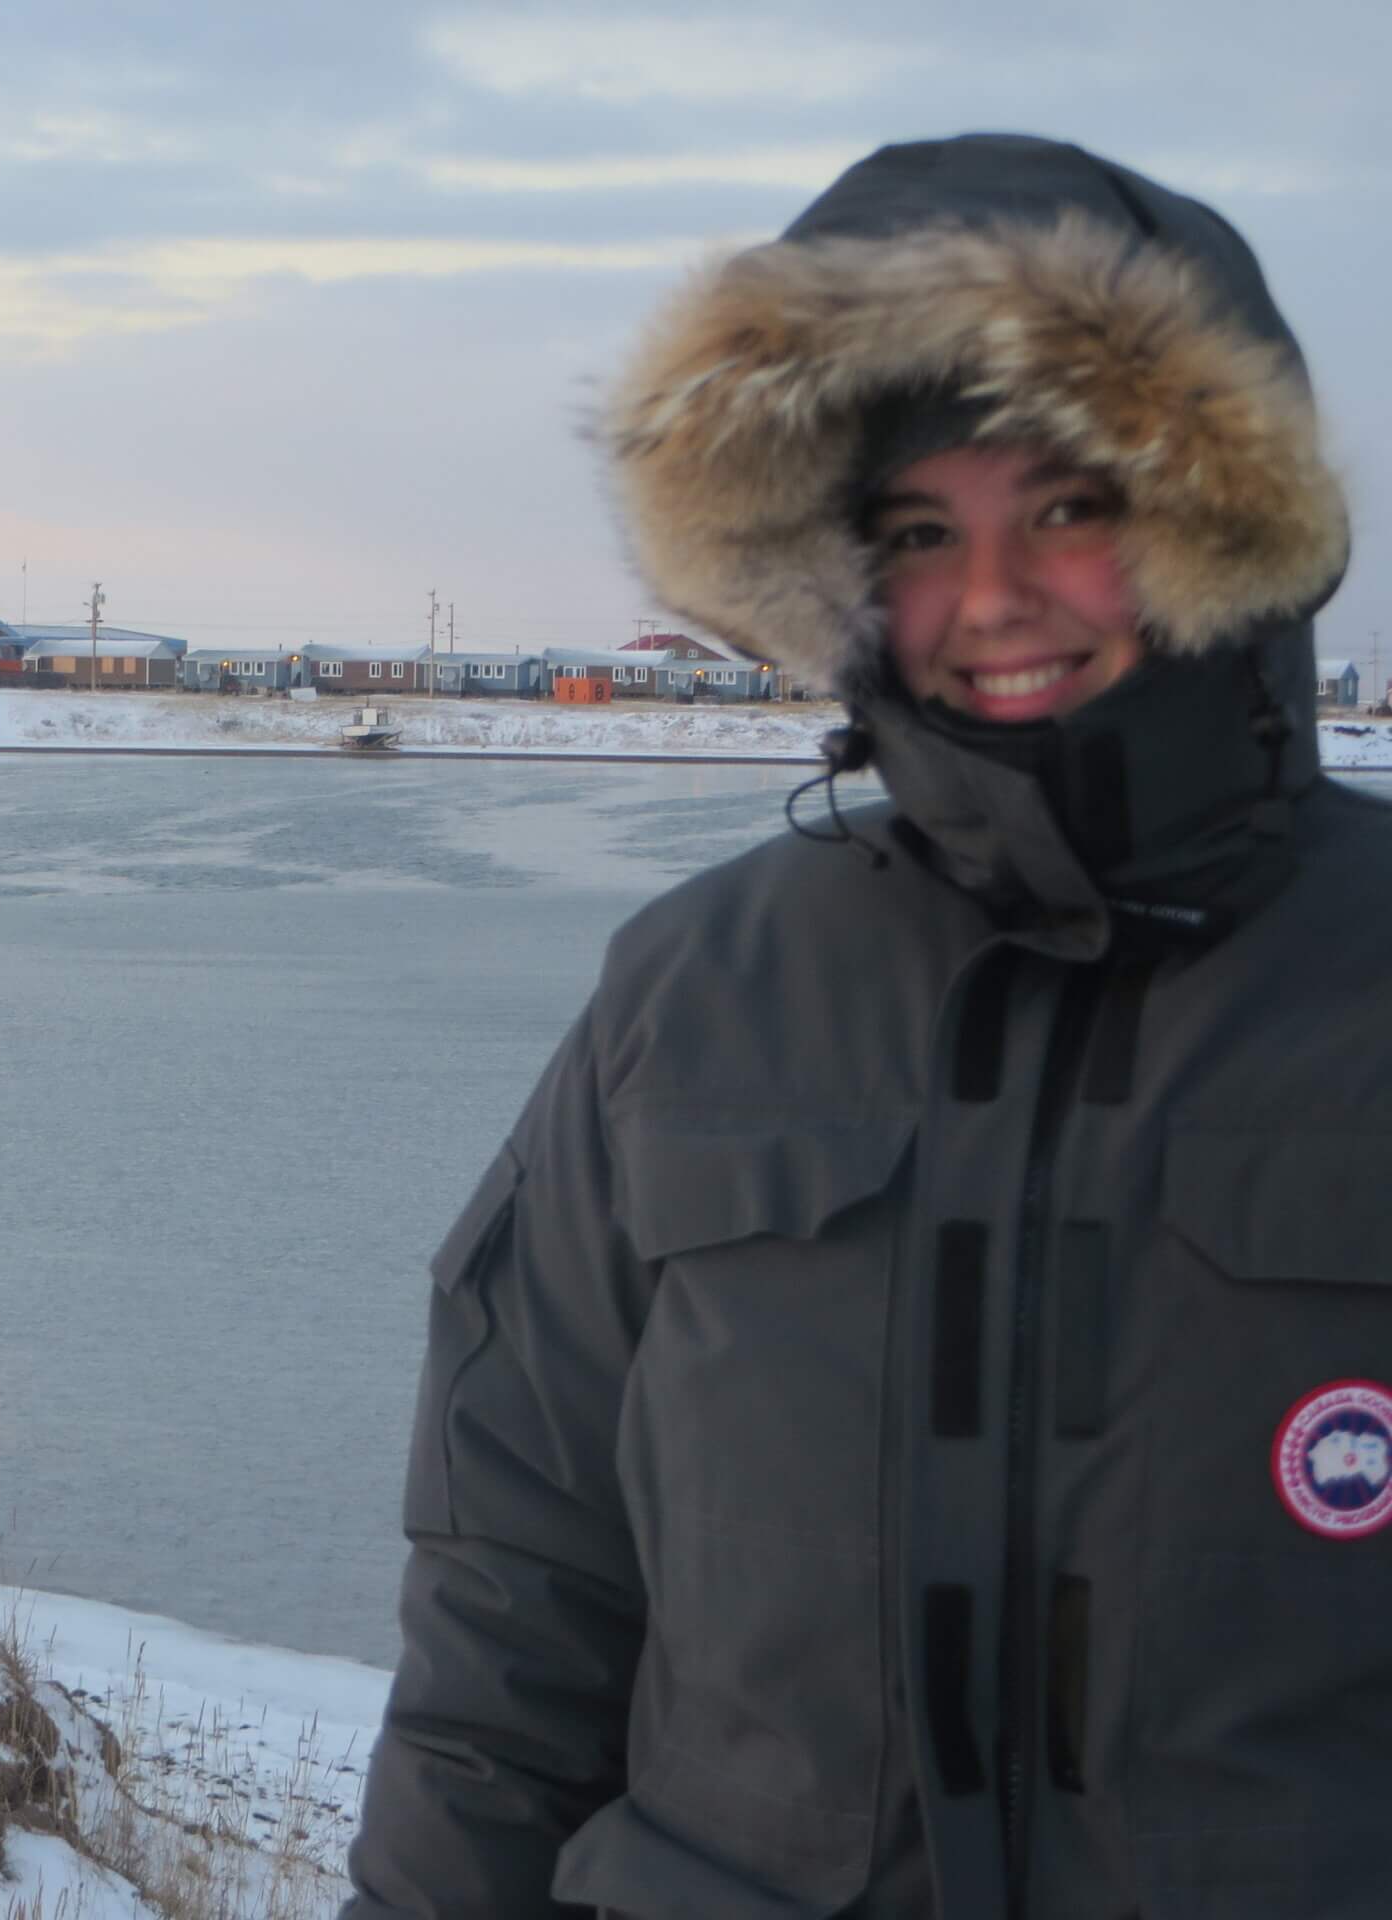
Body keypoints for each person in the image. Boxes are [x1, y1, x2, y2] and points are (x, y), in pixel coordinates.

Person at [344, 132, 1372, 1918]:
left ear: (1211, 515)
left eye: (1068, 508)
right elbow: (516, 1615)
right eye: (918, 534)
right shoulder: (695, 994)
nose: (992, 599)